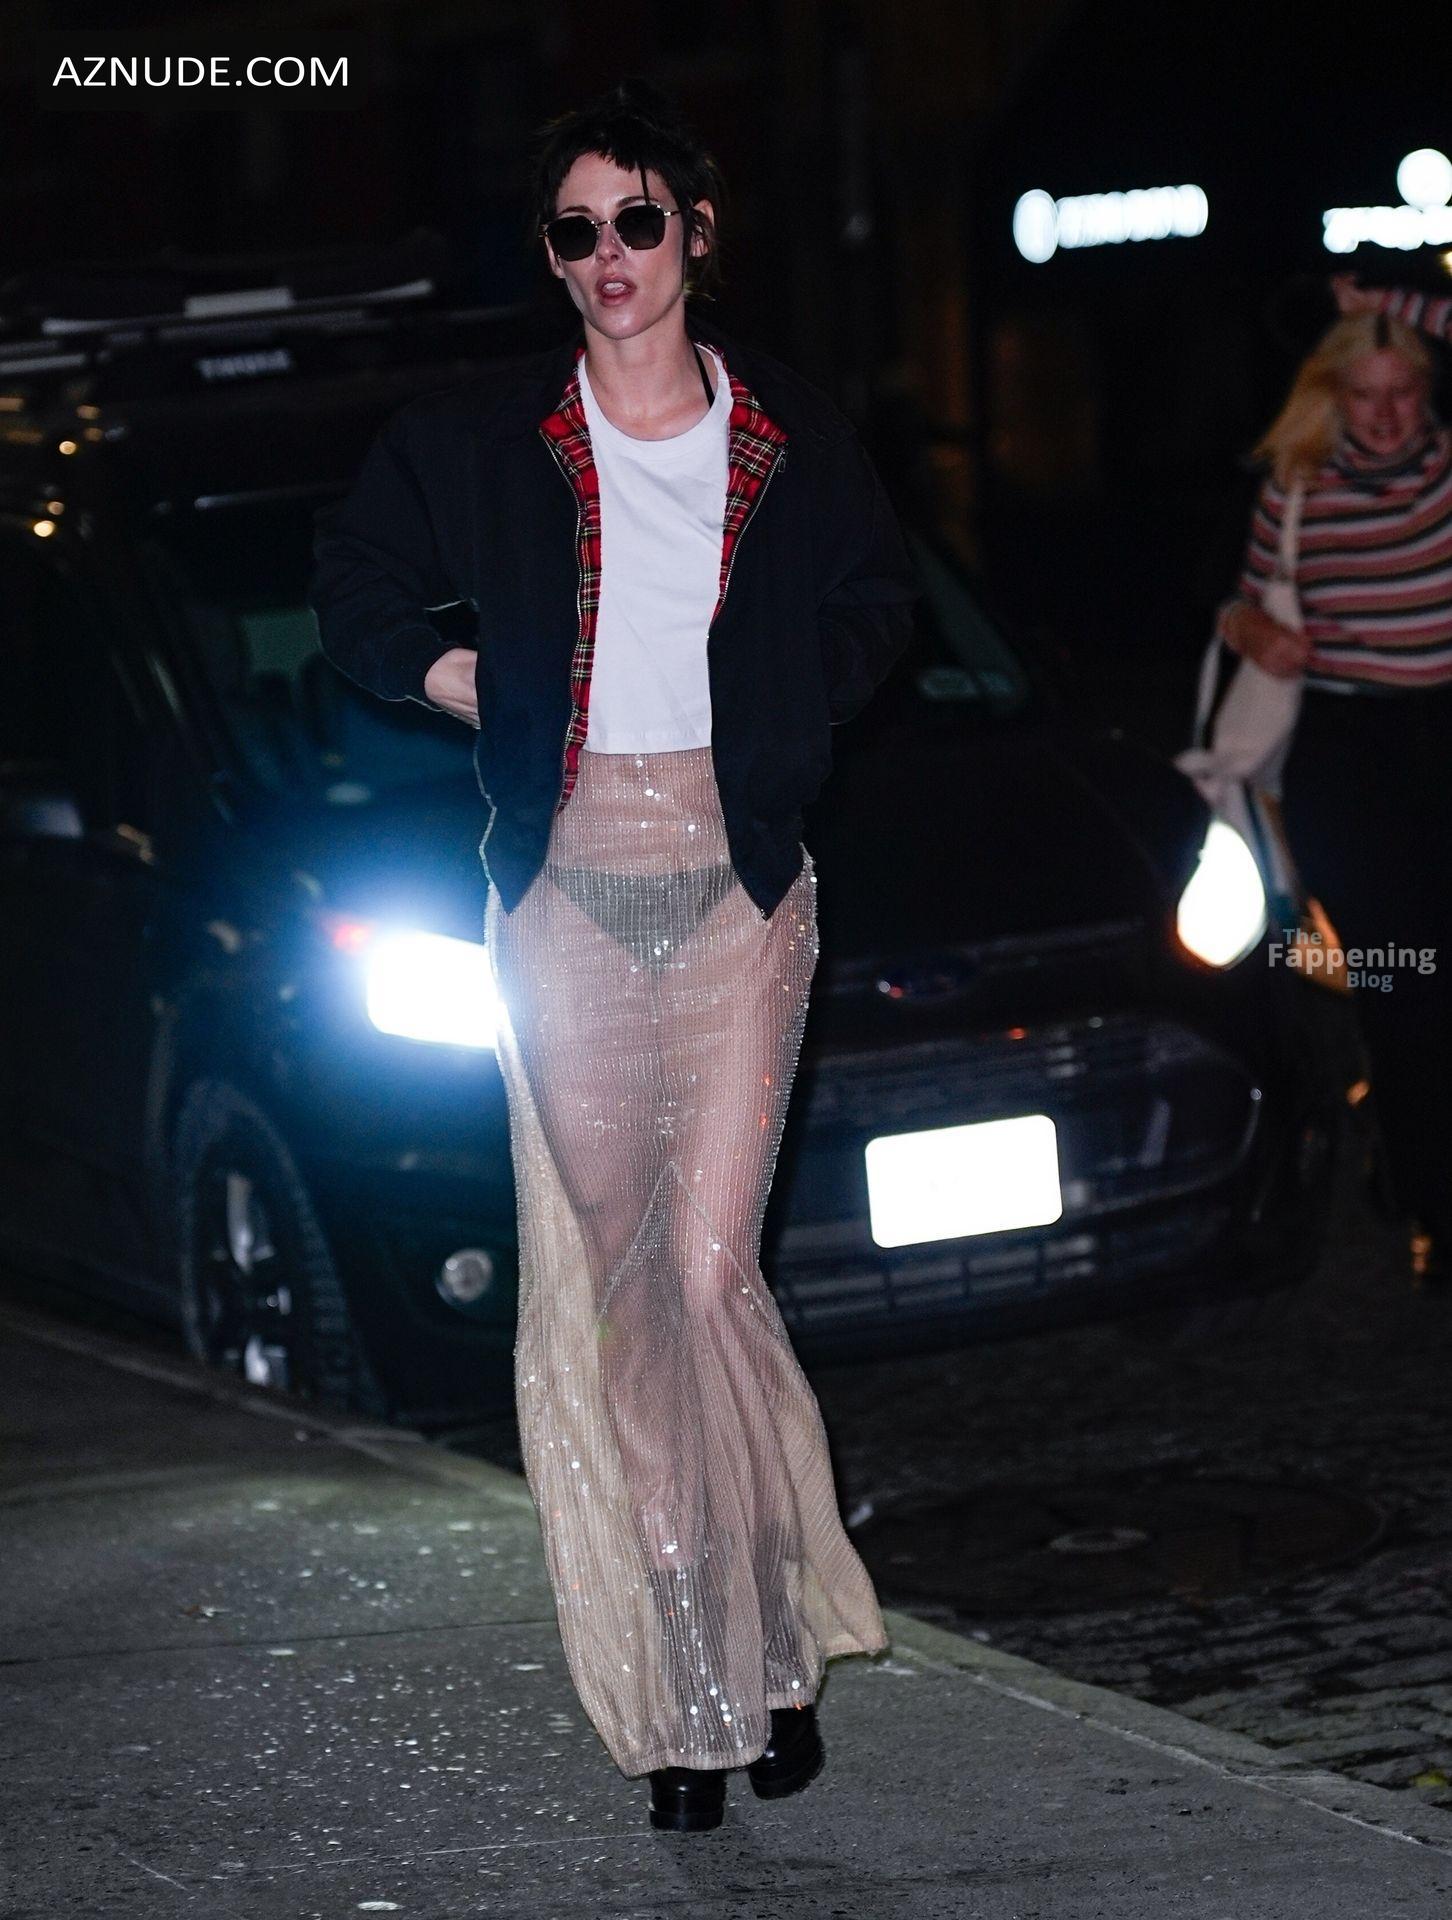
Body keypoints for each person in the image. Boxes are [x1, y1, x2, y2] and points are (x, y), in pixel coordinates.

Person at [307, 78, 921, 1832]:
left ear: (695, 234)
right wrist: (457, 680)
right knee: (630, 1286)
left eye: (637, 220)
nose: (609, 256)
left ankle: (770, 1641)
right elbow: (353, 582)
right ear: (553, 256)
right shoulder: (488, 438)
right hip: (564, 888)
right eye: (576, 231)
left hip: (739, 879)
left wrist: (785, 716)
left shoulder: (780, 428)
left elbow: (879, 602)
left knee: (708, 1271)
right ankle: (698, 1690)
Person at [1214, 273, 1452, 1279]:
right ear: (1334, 395)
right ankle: (1433, 1204)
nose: (1386, 415)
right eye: (1365, 393)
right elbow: (1239, 605)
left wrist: (1397, 302)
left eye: (1404, 391)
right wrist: (1257, 632)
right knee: (1403, 984)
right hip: (1352, 761)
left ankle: (1407, 1156)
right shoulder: (1299, 489)